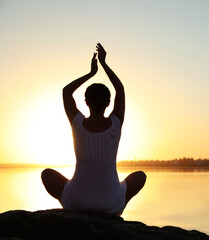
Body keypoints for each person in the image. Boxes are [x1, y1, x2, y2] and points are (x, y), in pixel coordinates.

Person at [41, 43, 146, 215]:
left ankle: (69, 203)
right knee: (140, 176)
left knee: (47, 174)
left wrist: (91, 72)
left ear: (86, 102)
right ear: (108, 103)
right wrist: (104, 64)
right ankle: (117, 205)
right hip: (110, 204)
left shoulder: (77, 123)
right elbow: (120, 88)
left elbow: (66, 91)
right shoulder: (116, 123)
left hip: (77, 202)